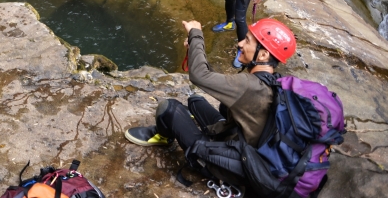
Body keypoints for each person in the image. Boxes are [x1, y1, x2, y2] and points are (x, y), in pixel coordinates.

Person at [124, 18, 296, 182]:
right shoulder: (270, 81)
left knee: (169, 108)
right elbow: (213, 79)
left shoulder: (249, 85)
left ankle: (164, 137)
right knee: (195, 101)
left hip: (230, 165)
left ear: (264, 54)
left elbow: (199, 76)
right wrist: (193, 51)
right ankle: (191, 128)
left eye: (248, 41)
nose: (240, 44)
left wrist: (196, 34)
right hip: (239, 141)